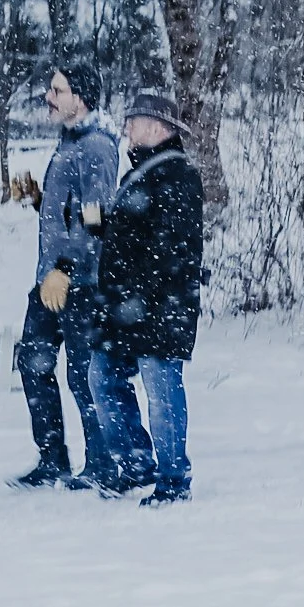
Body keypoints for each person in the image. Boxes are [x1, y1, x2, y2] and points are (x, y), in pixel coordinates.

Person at [90, 86, 206, 503]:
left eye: (133, 121)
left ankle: (175, 480)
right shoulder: (139, 171)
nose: (126, 128)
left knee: (162, 391)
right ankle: (137, 463)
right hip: (126, 307)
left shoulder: (178, 175)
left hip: (160, 308)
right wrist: (92, 220)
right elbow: (129, 230)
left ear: (157, 127)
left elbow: (171, 249)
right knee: (102, 377)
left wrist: (139, 294)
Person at [11, 57, 120, 489]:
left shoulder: (96, 146)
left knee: (83, 374)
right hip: (49, 281)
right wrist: (39, 199)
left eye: (57, 91)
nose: (48, 97)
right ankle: (52, 459)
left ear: (81, 97)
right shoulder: (69, 142)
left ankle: (102, 465)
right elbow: (72, 212)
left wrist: (65, 268)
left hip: (81, 284)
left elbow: (96, 220)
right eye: (50, 90)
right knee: (33, 365)